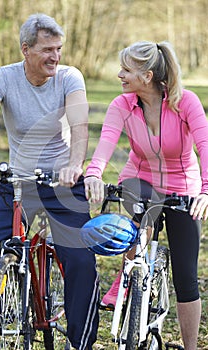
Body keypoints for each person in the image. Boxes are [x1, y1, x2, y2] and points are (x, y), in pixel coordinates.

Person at [0, 13, 99, 350]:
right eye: (47, 50)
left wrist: (75, 165)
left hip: (62, 182)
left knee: (79, 260)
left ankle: (80, 342)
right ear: (25, 49)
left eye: (58, 49)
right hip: (19, 183)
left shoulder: (70, 77)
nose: (55, 57)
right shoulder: (5, 77)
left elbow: (80, 125)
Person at [84, 41, 208, 350]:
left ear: (148, 76)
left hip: (184, 186)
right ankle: (130, 273)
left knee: (186, 276)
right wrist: (93, 173)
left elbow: (205, 146)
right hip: (139, 179)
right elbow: (106, 143)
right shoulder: (121, 105)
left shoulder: (186, 102)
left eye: (126, 70)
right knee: (144, 212)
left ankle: (190, 346)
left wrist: (206, 190)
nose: (119, 75)